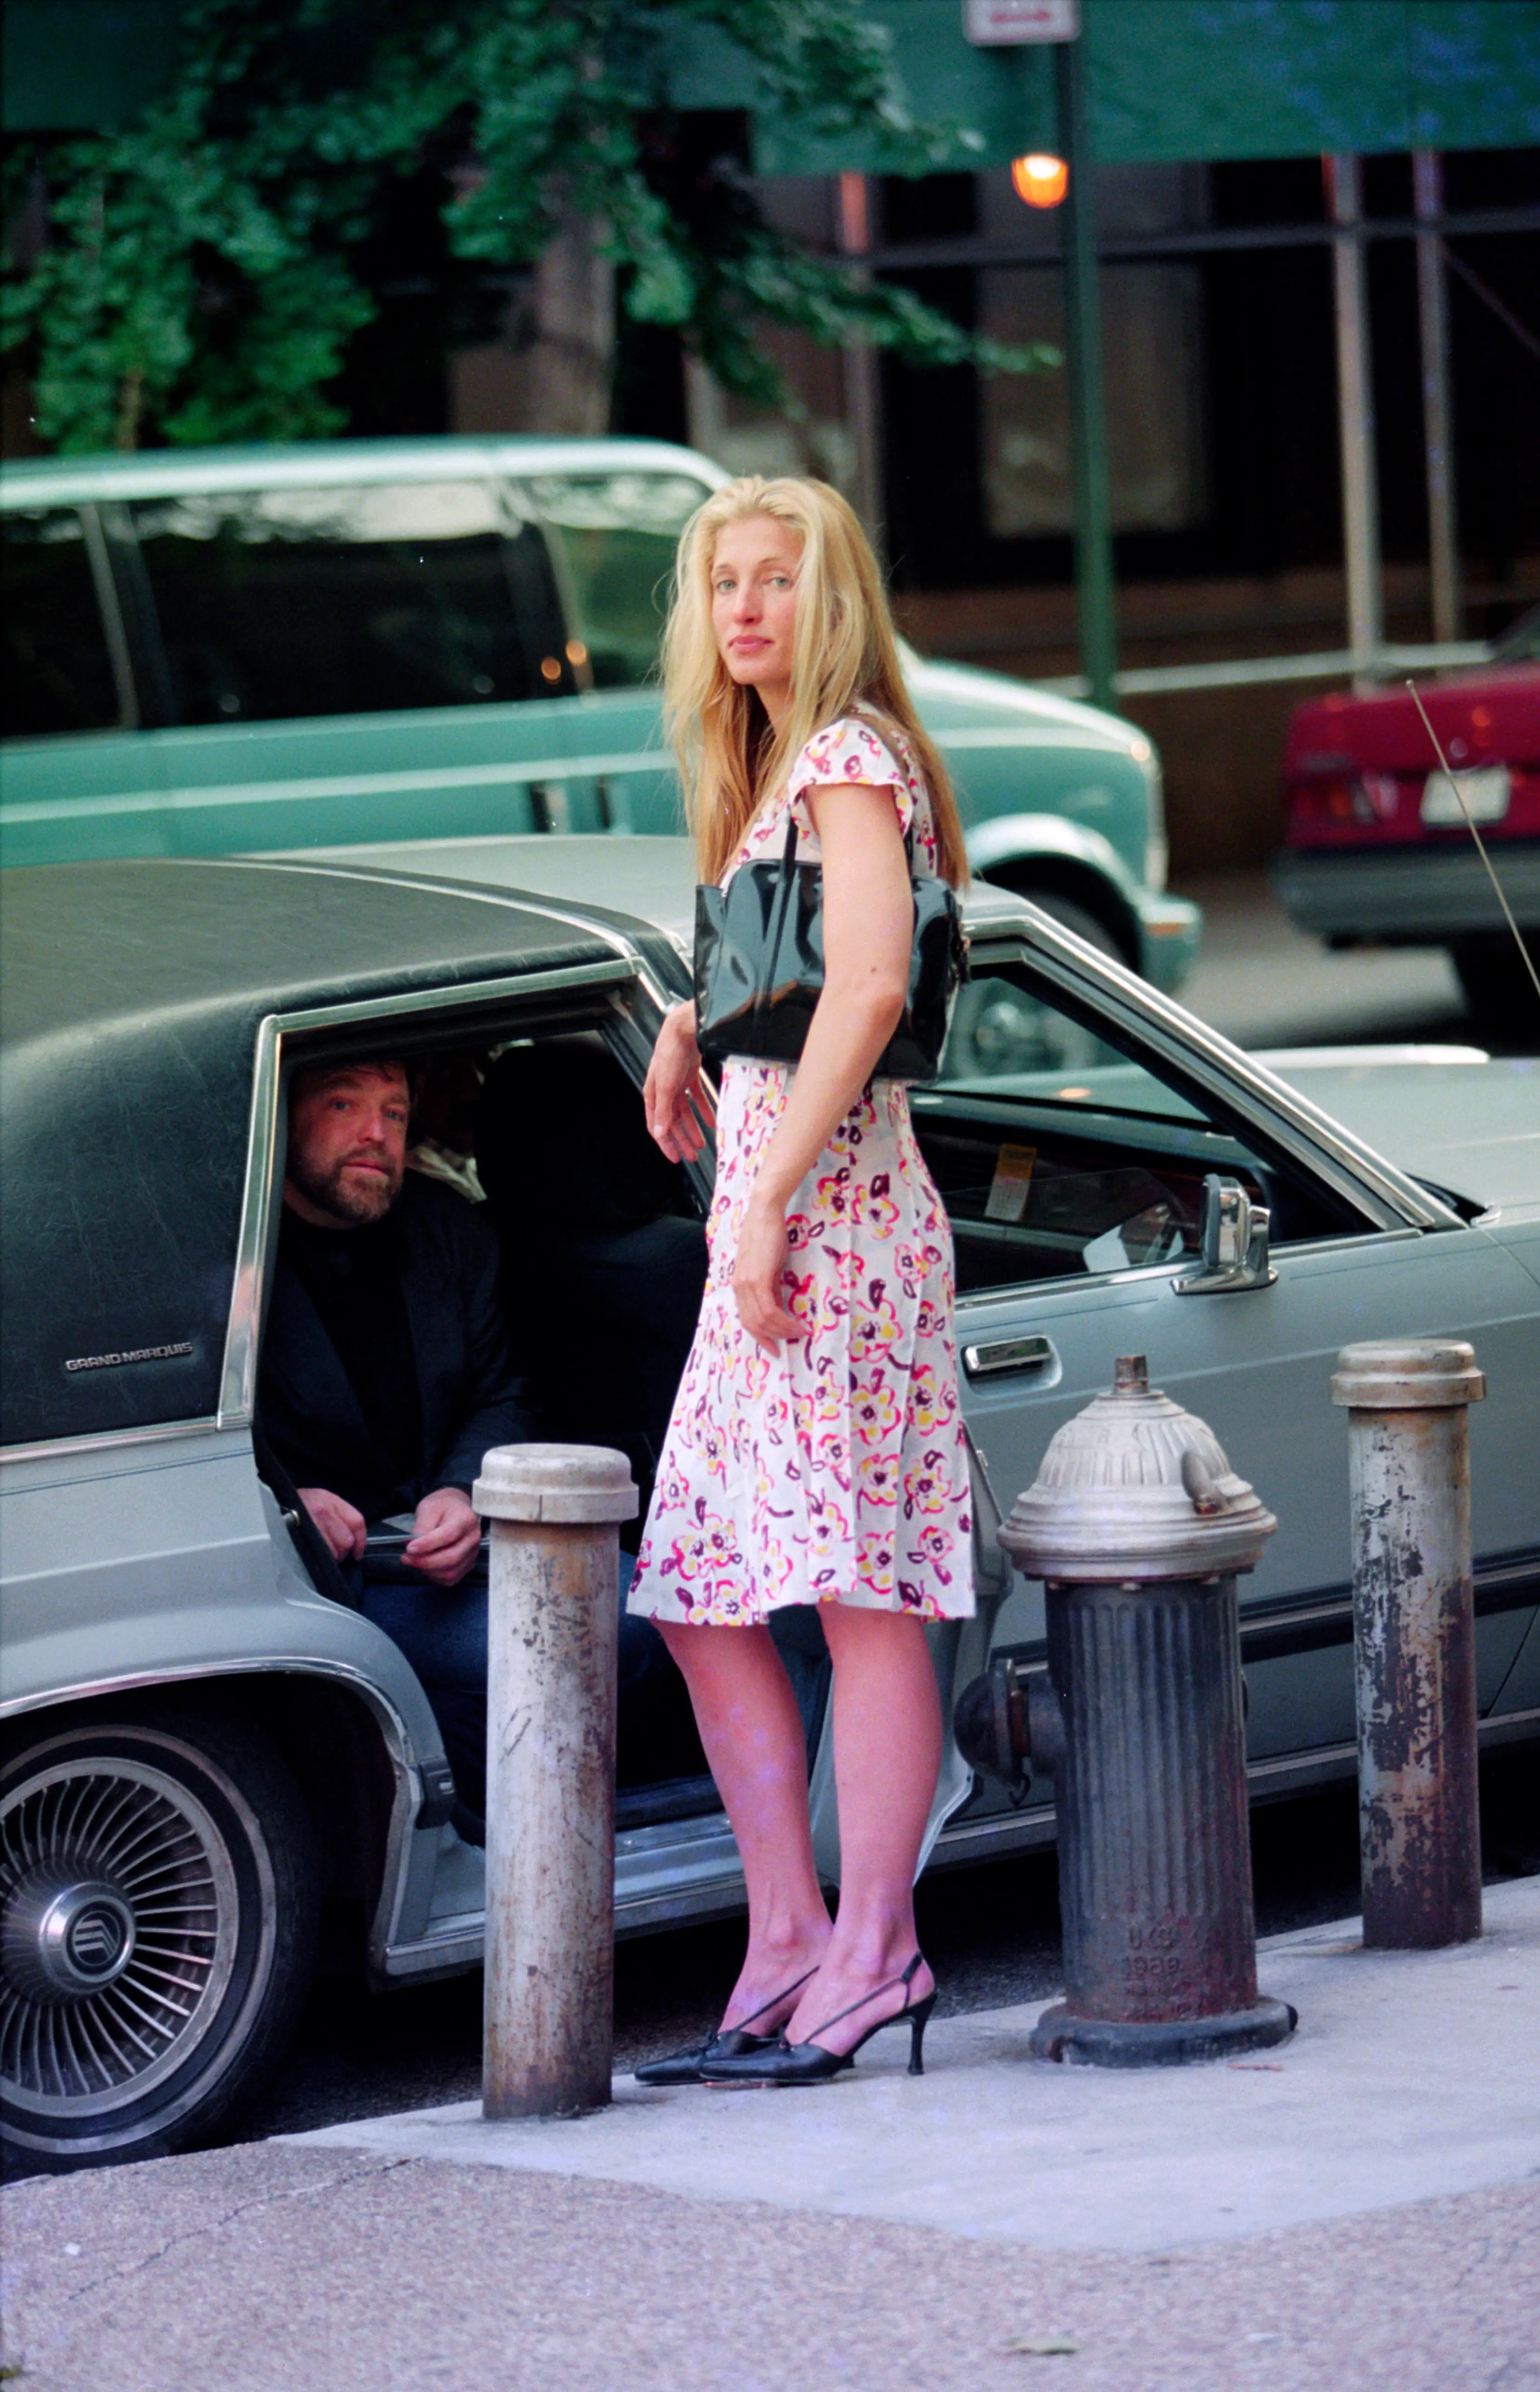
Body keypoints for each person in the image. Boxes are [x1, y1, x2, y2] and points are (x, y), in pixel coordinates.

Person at [627, 475, 975, 2087]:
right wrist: (687, 1018)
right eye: (724, 584)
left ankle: (876, 1950)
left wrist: (763, 1197)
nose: (746, 608)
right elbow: (796, 965)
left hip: (833, 1229)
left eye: (776, 579)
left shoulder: (846, 754)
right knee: (700, 1589)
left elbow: (874, 982)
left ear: (827, 600)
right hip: (766, 1232)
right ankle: (785, 1933)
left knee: (858, 1595)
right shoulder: (769, 768)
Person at [257, 1056, 677, 1822]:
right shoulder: (236, 1254)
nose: (375, 1133)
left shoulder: (447, 1230)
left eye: (394, 1112)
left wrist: (462, 1491)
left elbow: (502, 1390)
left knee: (650, 1620)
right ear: (281, 1119)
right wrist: (285, 1502)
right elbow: (189, 1428)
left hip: (454, 1557)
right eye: (344, 1105)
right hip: (314, 1582)